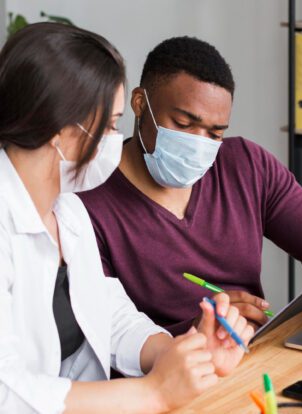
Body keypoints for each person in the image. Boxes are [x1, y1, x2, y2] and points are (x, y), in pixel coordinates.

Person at [0, 24, 253, 414]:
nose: (116, 141)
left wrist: (185, 354)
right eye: (112, 125)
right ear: (59, 127)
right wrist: (154, 393)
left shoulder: (67, 210)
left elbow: (109, 316)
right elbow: (7, 392)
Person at [79, 36, 302, 336]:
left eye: (214, 134)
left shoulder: (246, 165)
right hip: (168, 373)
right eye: (184, 124)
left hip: (253, 358)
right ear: (139, 103)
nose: (198, 143)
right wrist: (198, 329)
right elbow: (103, 336)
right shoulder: (88, 200)